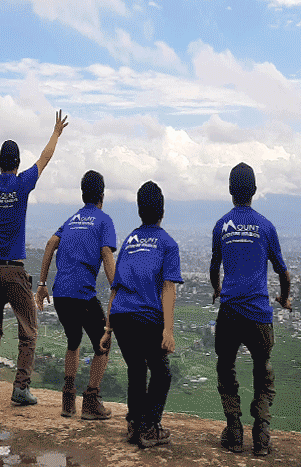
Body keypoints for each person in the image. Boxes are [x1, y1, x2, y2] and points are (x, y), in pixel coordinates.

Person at [0, 110, 68, 405]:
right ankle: (20, 387)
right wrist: (56, 132)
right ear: (17, 164)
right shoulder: (22, 184)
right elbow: (44, 159)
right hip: (14, 269)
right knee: (28, 328)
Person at [210, 162, 291, 456]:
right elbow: (283, 272)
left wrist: (218, 290)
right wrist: (283, 298)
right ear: (254, 191)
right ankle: (262, 435)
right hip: (258, 313)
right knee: (262, 369)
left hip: (230, 311)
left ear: (231, 191)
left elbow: (213, 267)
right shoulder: (266, 226)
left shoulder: (222, 225)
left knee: (225, 366)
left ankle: (233, 430)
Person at [100, 181, 183, 448]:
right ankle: (149, 428)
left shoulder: (130, 241)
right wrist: (168, 331)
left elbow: (115, 287)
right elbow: (168, 289)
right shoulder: (168, 243)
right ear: (163, 211)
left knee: (137, 368)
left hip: (122, 316)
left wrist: (108, 329)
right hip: (146, 316)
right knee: (161, 373)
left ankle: (135, 424)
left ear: (139, 210)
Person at [37, 170, 116, 420]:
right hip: (82, 295)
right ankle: (91, 400)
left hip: (60, 294)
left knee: (73, 341)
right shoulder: (103, 220)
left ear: (83, 195)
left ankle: (68, 400)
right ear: (102, 196)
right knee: (103, 344)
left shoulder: (71, 220)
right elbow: (106, 254)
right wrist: (118, 288)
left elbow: (50, 243)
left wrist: (41, 283)